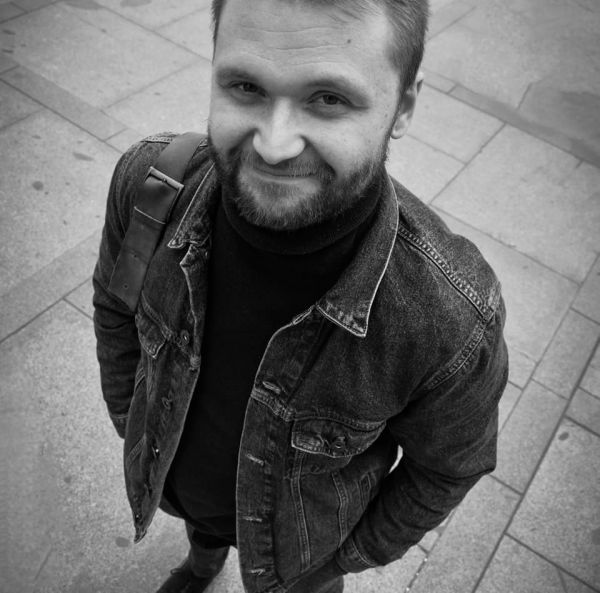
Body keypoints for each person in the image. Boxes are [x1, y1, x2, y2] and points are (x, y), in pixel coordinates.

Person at [93, 0, 508, 591]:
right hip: (181, 493)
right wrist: (133, 429)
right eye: (246, 86)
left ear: (403, 106)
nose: (274, 144)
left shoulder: (451, 318)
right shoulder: (150, 186)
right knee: (203, 535)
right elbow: (116, 310)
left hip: (301, 555)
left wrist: (334, 563)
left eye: (328, 98)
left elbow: (445, 471)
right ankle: (201, 565)